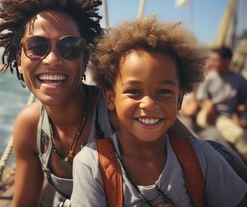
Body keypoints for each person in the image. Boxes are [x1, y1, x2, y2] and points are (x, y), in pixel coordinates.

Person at [70, 17, 247, 206]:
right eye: (134, 91)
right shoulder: (91, 164)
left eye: (163, 92)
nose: (148, 103)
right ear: (110, 98)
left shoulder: (202, 158)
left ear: (179, 99)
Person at [196, 46, 247, 161]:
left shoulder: (239, 80)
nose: (212, 63)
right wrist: (208, 103)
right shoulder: (210, 77)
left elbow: (244, 99)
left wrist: (239, 111)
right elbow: (201, 96)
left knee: (238, 134)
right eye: (211, 59)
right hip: (212, 114)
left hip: (227, 116)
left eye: (216, 60)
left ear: (227, 61)